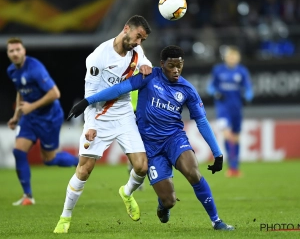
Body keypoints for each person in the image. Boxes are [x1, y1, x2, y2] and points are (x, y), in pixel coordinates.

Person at [68, 45, 234, 231]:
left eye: (179, 65)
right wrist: (87, 101)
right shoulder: (149, 77)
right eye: (171, 65)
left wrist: (218, 154)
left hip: (174, 139)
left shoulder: (187, 89)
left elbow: (202, 122)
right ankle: (163, 206)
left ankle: (216, 221)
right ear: (162, 64)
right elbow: (119, 89)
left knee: (193, 172)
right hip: (150, 147)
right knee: (169, 200)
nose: (176, 70)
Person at [53, 15, 153, 233]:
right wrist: (89, 125)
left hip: (124, 114)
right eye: (138, 37)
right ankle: (65, 216)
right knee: (85, 169)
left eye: (142, 40)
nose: (139, 43)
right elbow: (89, 94)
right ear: (126, 28)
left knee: (142, 167)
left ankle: (126, 192)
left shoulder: (136, 51)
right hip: (99, 117)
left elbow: (144, 60)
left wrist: (146, 65)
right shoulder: (99, 56)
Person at [6, 37, 79, 206]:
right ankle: (28, 196)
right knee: (18, 151)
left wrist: (32, 106)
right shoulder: (12, 71)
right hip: (30, 118)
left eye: (18, 50)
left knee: (49, 160)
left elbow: (55, 93)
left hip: (49, 118)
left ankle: (78, 162)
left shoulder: (35, 69)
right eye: (11, 51)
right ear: (8, 53)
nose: (15, 53)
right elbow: (21, 92)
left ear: (24, 51)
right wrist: (16, 116)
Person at [207, 46, 253, 177]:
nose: (232, 59)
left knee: (236, 137)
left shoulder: (242, 71)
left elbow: (249, 88)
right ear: (225, 58)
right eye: (230, 56)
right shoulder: (218, 70)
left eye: (234, 56)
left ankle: (235, 167)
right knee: (227, 135)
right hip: (223, 108)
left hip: (236, 108)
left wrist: (247, 97)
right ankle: (231, 166)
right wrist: (216, 93)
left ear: (238, 58)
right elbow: (210, 87)